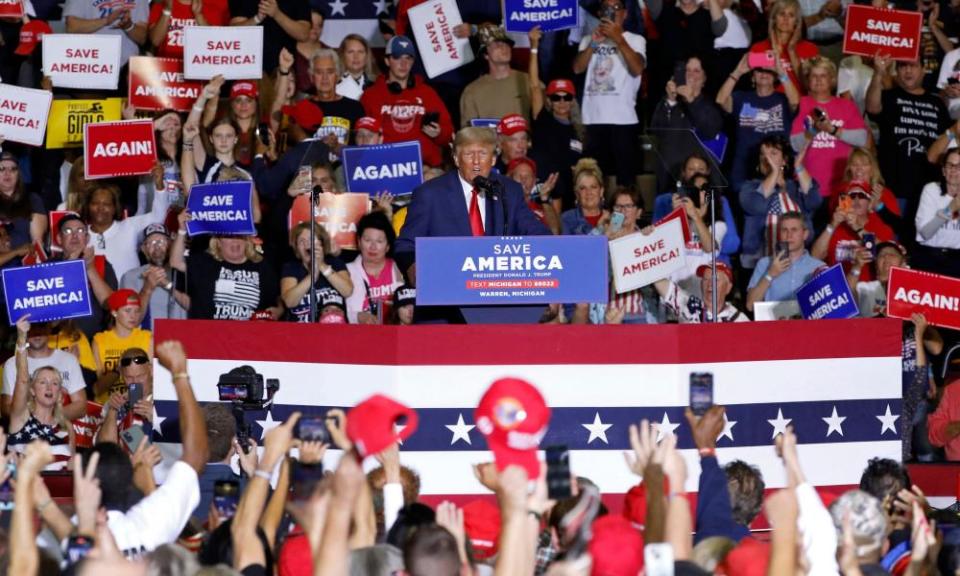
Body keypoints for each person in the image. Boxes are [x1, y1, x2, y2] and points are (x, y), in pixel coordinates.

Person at [92, 339, 208, 555]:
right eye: (129, 377)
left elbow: (193, 441)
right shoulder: (117, 402)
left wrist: (155, 418)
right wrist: (112, 412)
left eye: (140, 376)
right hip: (129, 490)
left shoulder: (169, 400)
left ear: (151, 371)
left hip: (165, 484)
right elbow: (105, 447)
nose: (135, 382)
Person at [394, 127, 550, 281]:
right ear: (456, 159)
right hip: (448, 289)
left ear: (493, 159)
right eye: (469, 154)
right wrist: (413, 269)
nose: (476, 162)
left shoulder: (508, 191)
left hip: (497, 290)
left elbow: (537, 234)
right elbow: (406, 245)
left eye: (483, 154)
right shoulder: (430, 194)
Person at [868, 55, 949, 237]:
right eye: (903, 66)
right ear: (897, 71)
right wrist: (878, 73)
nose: (908, 71)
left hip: (928, 192)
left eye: (913, 66)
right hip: (894, 188)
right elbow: (872, 108)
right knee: (893, 243)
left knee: (919, 244)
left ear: (923, 70)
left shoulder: (937, 104)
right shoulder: (890, 96)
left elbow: (946, 145)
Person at [573, 0, 646, 188]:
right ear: (600, 13)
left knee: (626, 183)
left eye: (616, 8)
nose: (612, 12)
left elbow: (637, 68)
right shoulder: (589, 39)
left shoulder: (636, 40)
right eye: (607, 8)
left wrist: (619, 39)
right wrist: (593, 44)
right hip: (592, 120)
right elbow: (577, 68)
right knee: (593, 181)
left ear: (625, 14)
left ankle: (621, 219)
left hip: (624, 121)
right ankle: (598, 217)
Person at [360, 35, 454, 168]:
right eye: (397, 57)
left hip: (425, 167)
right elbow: (361, 139)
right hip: (386, 167)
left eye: (408, 58)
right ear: (387, 61)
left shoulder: (427, 93)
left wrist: (439, 133)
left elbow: (449, 134)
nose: (403, 64)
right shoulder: (371, 96)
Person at [172, 212, 282, 321]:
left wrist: (279, 310)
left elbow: (277, 301)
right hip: (210, 333)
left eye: (239, 236)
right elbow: (175, 262)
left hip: (250, 334)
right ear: (218, 242)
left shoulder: (263, 268)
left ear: (247, 241)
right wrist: (182, 230)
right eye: (229, 237)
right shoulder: (205, 263)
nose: (235, 241)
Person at [717, 53, 798, 192]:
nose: (764, 73)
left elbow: (796, 102)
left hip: (776, 169)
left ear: (775, 77)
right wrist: (737, 72)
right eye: (759, 70)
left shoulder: (783, 99)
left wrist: (781, 72)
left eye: (768, 71)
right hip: (744, 170)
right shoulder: (741, 97)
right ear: (753, 76)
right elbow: (721, 100)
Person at [789, 57, 868, 195]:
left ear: (832, 79)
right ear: (808, 80)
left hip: (841, 185)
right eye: (814, 76)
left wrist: (832, 129)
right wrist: (814, 130)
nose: (818, 80)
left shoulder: (846, 105)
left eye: (823, 75)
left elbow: (861, 138)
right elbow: (795, 144)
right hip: (807, 185)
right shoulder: (802, 104)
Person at [739, 136, 820, 271]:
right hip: (759, 262)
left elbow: (814, 201)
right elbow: (757, 205)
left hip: (797, 263)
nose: (767, 158)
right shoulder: (750, 187)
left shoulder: (795, 187)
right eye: (763, 154)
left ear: (784, 160)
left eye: (773, 153)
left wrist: (799, 166)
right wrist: (775, 172)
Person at [6, 315, 75, 470]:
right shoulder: (21, 418)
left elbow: (71, 472)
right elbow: (23, 379)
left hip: (56, 494)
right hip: (24, 492)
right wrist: (22, 338)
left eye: (55, 383)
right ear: (32, 390)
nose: (49, 387)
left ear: (59, 393)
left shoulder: (66, 427)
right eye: (43, 382)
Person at [274, 47, 365, 165]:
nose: (325, 78)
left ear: (338, 76)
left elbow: (362, 154)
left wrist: (337, 146)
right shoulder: (300, 109)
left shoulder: (354, 108)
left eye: (330, 72)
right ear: (311, 77)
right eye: (319, 72)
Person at [528, 27, 583, 212]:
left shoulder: (579, 131)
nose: (561, 102)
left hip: (569, 195)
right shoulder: (543, 119)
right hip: (544, 191)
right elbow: (535, 86)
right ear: (549, 101)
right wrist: (534, 47)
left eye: (566, 97)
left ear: (572, 101)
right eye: (556, 97)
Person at [83, 182, 172, 281]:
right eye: (95, 203)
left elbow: (158, 217)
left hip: (132, 293)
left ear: (114, 208)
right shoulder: (80, 235)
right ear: (88, 206)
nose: (100, 208)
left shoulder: (129, 226)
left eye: (106, 204)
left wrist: (159, 187)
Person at [1, 320, 86, 421]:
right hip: (25, 433)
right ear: (24, 330)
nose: (37, 332)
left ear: (49, 327)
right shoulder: (11, 364)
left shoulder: (69, 360)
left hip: (60, 433)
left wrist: (49, 419)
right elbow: (6, 408)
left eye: (41, 326)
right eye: (31, 326)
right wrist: (33, 423)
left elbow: (81, 406)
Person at [811, 180, 893, 280]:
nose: (857, 199)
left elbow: (885, 253)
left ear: (869, 203)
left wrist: (857, 227)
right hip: (839, 288)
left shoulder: (880, 226)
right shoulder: (836, 228)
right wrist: (832, 225)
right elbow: (815, 257)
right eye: (852, 196)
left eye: (862, 195)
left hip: (869, 289)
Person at [56, 214, 118, 340]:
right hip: (59, 342)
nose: (74, 236)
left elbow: (110, 304)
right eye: (68, 231)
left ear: (87, 237)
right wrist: (72, 265)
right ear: (59, 238)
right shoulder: (48, 266)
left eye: (80, 230)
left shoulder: (101, 264)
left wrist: (90, 268)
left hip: (95, 341)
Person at [746, 212, 825, 310]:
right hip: (774, 324)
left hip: (807, 324)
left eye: (794, 230)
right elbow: (750, 305)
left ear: (805, 234)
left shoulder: (819, 268)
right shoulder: (764, 264)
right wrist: (770, 274)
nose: (789, 235)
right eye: (784, 230)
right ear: (779, 234)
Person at [459, 24, 533, 126]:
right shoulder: (472, 92)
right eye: (497, 44)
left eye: (506, 44)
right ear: (485, 54)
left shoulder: (529, 81)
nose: (504, 47)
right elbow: (469, 134)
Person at [120, 223, 190, 329]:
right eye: (151, 243)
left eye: (162, 241)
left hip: (181, 339)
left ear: (171, 244)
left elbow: (198, 308)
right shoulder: (131, 277)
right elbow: (127, 321)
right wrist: (146, 288)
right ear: (143, 249)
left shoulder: (184, 273)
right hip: (147, 341)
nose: (157, 246)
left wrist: (167, 284)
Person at [280, 221, 353, 323]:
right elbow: (289, 302)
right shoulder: (291, 268)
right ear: (297, 248)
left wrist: (321, 265)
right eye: (301, 241)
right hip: (300, 332)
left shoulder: (335, 263)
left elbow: (347, 291)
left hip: (333, 330)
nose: (306, 244)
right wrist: (312, 276)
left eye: (311, 239)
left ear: (322, 243)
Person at [346, 212, 404, 324]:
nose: (373, 247)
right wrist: (357, 317)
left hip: (396, 335)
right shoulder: (346, 272)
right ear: (358, 242)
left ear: (388, 246)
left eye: (379, 241)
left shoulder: (400, 269)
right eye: (367, 240)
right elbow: (336, 311)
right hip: (358, 336)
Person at [748, 0, 818, 91]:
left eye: (791, 15)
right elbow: (756, 81)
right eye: (782, 14)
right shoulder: (758, 48)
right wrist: (774, 51)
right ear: (774, 19)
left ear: (796, 22)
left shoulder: (811, 49)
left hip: (800, 102)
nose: (786, 18)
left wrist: (791, 51)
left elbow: (809, 85)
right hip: (771, 102)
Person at [914, 149, 960, 277]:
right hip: (929, 256)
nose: (953, 170)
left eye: (958, 166)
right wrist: (949, 209)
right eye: (950, 165)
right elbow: (925, 233)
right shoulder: (931, 190)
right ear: (943, 170)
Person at [64, 0, 148, 70]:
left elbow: (142, 38)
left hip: (126, 68)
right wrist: (106, 20)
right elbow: (72, 27)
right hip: (91, 67)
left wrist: (129, 26)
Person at [228, 0, 309, 72]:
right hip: (248, 69)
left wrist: (277, 14)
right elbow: (232, 33)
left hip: (284, 68)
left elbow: (303, 34)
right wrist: (256, 19)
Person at [654, 261, 749, 322]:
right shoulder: (691, 307)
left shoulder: (739, 319)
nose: (710, 284)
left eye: (715, 280)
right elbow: (665, 288)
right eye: (705, 279)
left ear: (728, 287)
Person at [92, 289, 153, 378]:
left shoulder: (147, 338)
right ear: (114, 312)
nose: (133, 316)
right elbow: (99, 384)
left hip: (139, 391)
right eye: (128, 311)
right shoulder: (99, 340)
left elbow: (151, 377)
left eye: (137, 311)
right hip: (110, 391)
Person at [147, 0, 229, 59]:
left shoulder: (216, 4)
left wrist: (199, 16)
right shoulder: (161, 4)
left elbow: (217, 44)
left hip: (199, 69)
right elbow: (155, 41)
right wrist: (167, 11)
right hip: (168, 69)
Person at [0, 150, 47, 249]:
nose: (7, 173)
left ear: (18, 174)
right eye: (1, 169)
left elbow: (37, 243)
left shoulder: (32, 200)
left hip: (23, 262)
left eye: (13, 169)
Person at [506, 157, 561, 235]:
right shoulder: (500, 207)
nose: (523, 180)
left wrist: (544, 198)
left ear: (534, 181)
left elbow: (555, 234)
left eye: (527, 176)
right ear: (509, 180)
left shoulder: (541, 210)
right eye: (519, 176)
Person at [561, 158, 608, 235]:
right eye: (583, 188)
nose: (589, 192)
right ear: (577, 193)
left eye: (593, 187)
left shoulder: (612, 218)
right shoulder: (567, 219)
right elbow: (573, 247)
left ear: (601, 191)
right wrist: (599, 229)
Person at [290, 9, 325, 95]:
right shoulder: (287, 52)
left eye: (319, 25)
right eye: (311, 24)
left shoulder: (330, 53)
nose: (315, 29)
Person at [336, 33, 377, 100]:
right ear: (342, 55)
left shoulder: (376, 85)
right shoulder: (333, 85)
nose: (356, 57)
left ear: (367, 56)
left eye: (360, 52)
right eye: (351, 52)